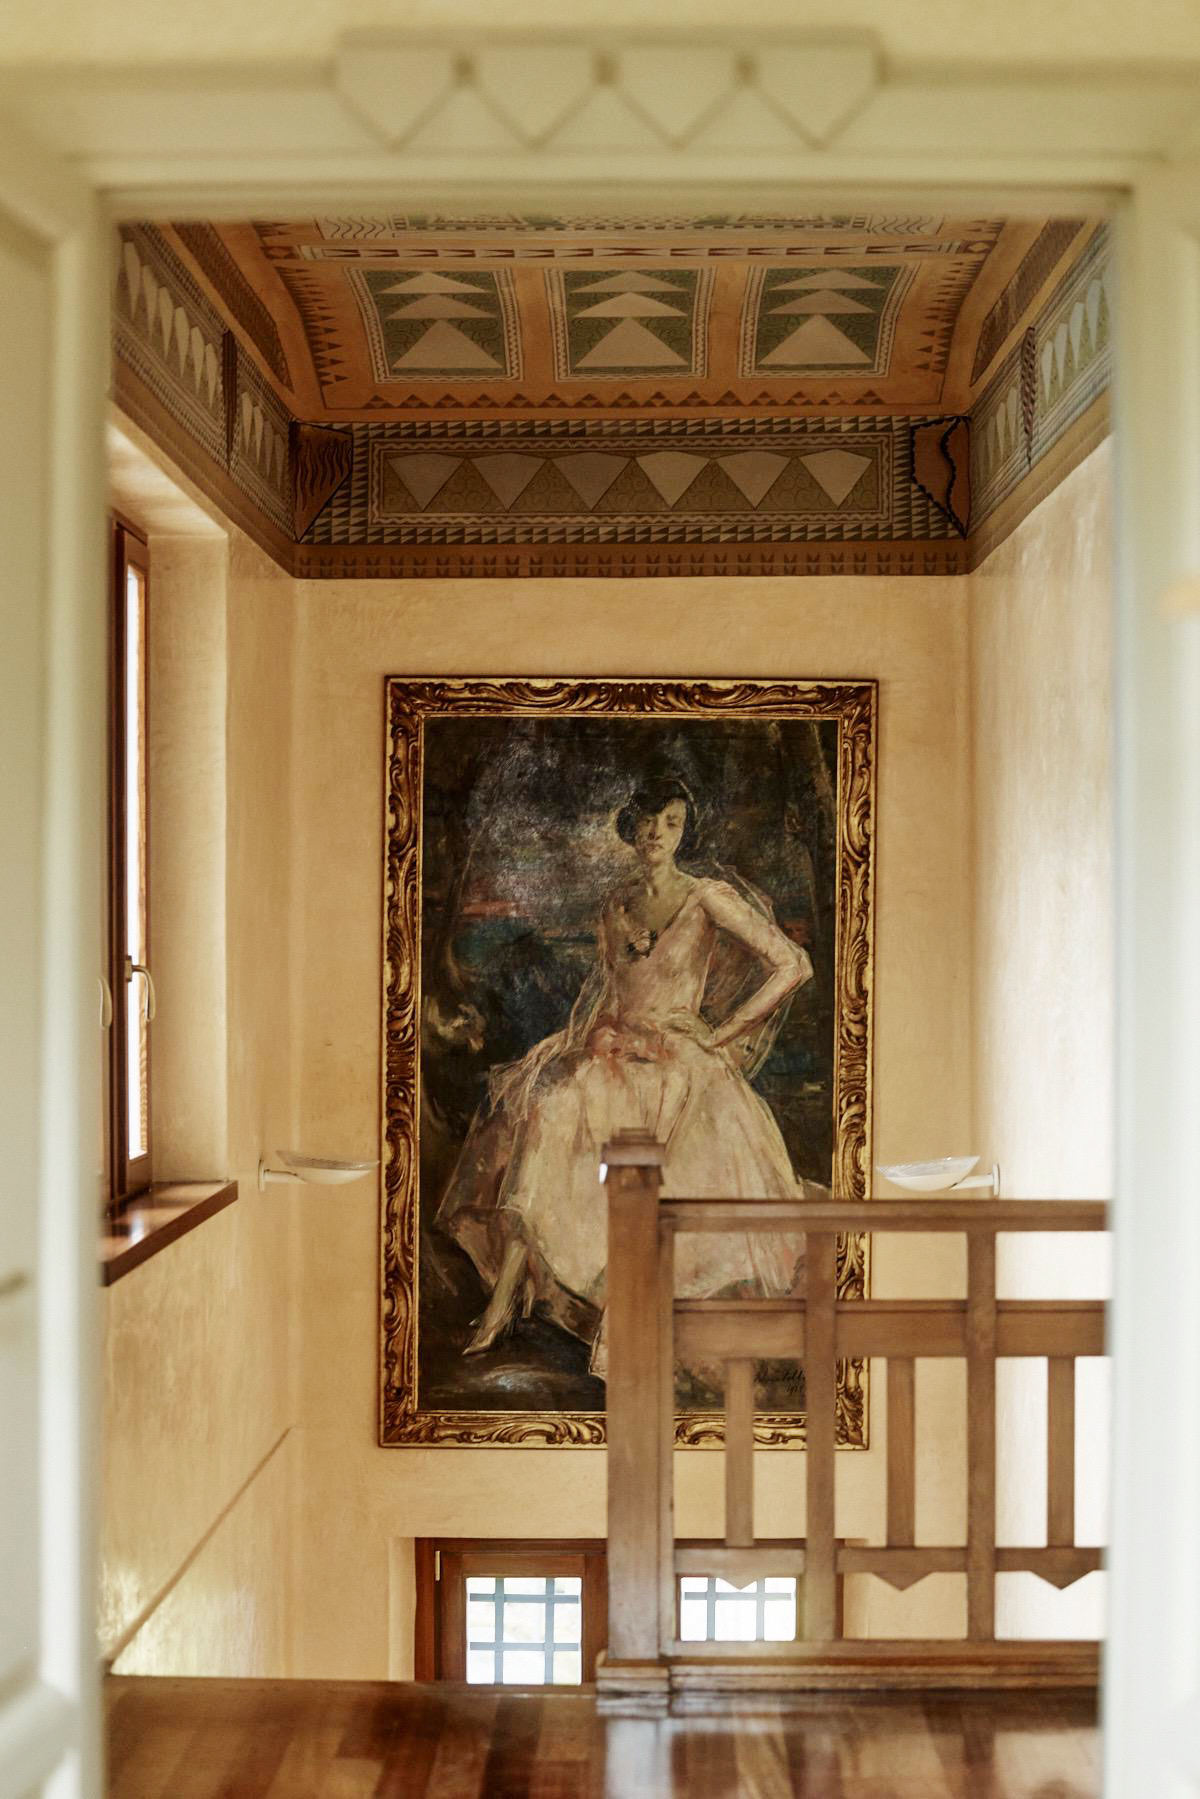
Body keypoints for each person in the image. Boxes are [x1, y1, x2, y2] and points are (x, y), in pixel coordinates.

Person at [436, 774, 815, 1374]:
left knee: (650, 1171)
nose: (657, 833)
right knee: (548, 1120)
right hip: (614, 1058)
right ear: (630, 828)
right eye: (647, 821)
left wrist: (720, 1033)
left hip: (678, 1064)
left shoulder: (707, 897)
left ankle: (621, 1325)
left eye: (671, 822)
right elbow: (610, 992)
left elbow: (792, 964)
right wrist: (589, 1037)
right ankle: (503, 1299)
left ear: (684, 832)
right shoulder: (616, 904)